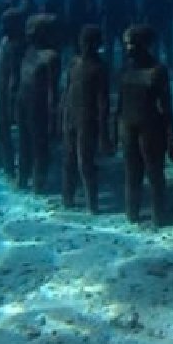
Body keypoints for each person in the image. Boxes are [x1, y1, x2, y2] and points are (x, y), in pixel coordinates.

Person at [115, 25, 173, 226]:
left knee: (154, 171)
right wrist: (114, 128)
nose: (128, 48)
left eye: (132, 43)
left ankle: (159, 215)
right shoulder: (125, 68)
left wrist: (171, 134)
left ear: (144, 45)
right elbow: (120, 103)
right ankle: (132, 213)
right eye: (126, 44)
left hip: (151, 128)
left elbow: (166, 106)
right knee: (131, 172)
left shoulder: (158, 71)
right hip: (128, 126)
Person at [62, 24, 112, 212]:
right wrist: (61, 116)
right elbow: (66, 91)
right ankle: (67, 199)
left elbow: (103, 102)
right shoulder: (74, 63)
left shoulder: (100, 68)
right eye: (84, 42)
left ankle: (93, 204)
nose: (86, 46)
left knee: (85, 162)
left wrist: (104, 132)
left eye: (91, 43)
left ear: (97, 44)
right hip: (70, 117)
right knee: (68, 160)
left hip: (87, 120)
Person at [16, 14, 61, 193]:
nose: (28, 35)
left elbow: (52, 89)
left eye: (32, 31)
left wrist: (52, 113)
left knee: (39, 143)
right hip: (23, 101)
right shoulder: (28, 50)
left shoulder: (51, 57)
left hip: (39, 106)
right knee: (24, 141)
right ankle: (22, 176)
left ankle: (38, 183)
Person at [0, 7, 27, 178]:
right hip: (0, 90)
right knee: (1, 128)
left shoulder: (16, 45)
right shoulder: (5, 42)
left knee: (11, 129)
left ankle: (12, 168)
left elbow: (14, 74)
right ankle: (7, 165)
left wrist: (13, 96)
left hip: (8, 93)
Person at [101, 0, 138, 68]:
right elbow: (132, 1)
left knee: (117, 46)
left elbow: (131, 1)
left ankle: (117, 68)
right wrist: (135, 16)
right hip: (117, 19)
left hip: (117, 19)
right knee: (117, 46)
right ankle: (118, 68)